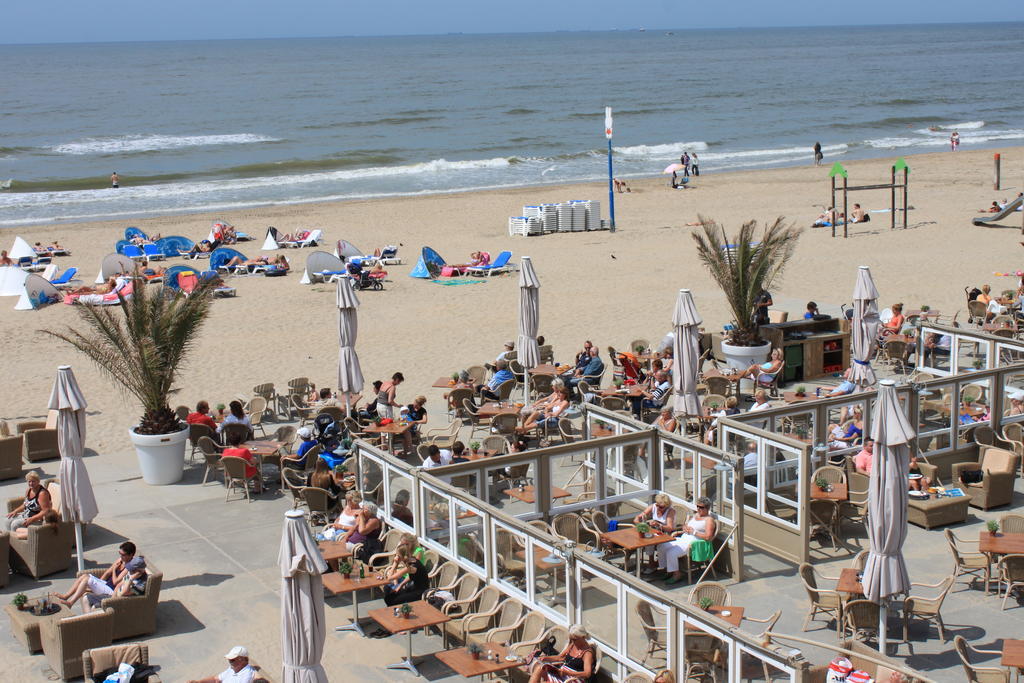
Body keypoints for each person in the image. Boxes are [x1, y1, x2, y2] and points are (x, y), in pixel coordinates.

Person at [51, 541, 144, 609]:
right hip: (106, 585)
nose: (120, 556)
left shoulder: (129, 567)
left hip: (111, 590)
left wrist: (114, 570)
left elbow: (116, 582)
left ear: (131, 555)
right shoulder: (120, 560)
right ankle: (66, 596)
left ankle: (71, 602)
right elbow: (107, 573)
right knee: (84, 576)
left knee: (87, 579)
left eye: (123, 555)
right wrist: (98, 584)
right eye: (119, 553)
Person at [657, 497, 717, 584]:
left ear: (707, 508)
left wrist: (694, 532)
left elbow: (708, 537)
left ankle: (677, 575)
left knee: (671, 552)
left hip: (693, 543)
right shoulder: (696, 515)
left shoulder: (709, 520)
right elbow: (685, 525)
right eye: (698, 506)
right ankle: (668, 570)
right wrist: (685, 528)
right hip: (683, 538)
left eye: (701, 507)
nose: (699, 509)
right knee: (661, 546)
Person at [529, 624, 595, 683]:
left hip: (573, 679)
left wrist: (568, 673)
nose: (573, 641)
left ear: (583, 637)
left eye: (575, 639)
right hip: (562, 673)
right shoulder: (573, 645)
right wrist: (544, 658)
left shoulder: (587, 653)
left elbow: (587, 673)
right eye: (571, 639)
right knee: (539, 668)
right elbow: (561, 657)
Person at [635, 493, 676, 572]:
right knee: (647, 538)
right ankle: (651, 563)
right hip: (655, 531)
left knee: (652, 541)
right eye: (657, 505)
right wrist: (638, 519)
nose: (658, 507)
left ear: (666, 505)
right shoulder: (654, 506)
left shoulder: (670, 511)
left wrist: (659, 525)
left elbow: (670, 528)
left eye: (661, 507)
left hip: (666, 533)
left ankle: (658, 565)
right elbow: (641, 515)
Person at [187, 645, 257, 683]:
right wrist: (199, 682)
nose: (229, 661)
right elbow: (215, 679)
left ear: (242, 659)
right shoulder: (233, 668)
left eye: (232, 659)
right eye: (229, 659)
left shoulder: (245, 676)